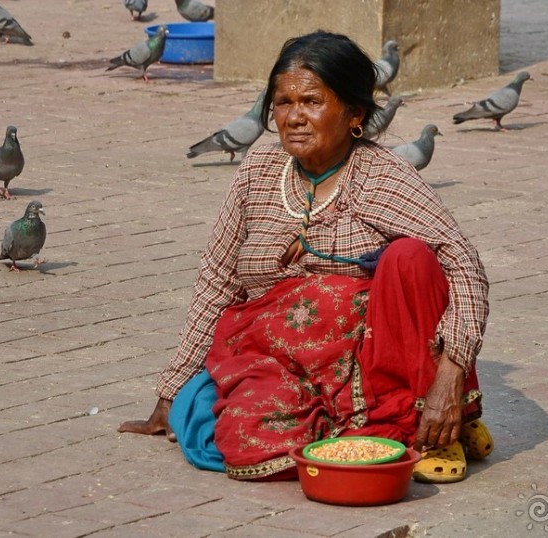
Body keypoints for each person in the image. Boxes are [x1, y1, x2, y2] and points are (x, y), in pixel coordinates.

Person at [118, 30, 493, 483]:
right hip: (276, 357)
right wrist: (170, 392)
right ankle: (380, 429)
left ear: (354, 113)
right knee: (246, 443)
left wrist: (451, 373)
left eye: (312, 102)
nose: (294, 117)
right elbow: (216, 281)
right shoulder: (258, 170)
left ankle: (425, 418)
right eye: (283, 103)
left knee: (411, 257)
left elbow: (464, 263)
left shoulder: (382, 176)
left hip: (371, 361)